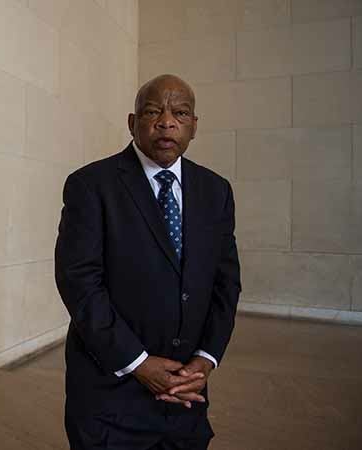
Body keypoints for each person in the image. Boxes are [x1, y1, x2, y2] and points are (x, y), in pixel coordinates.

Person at [54, 74, 241, 450]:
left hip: (186, 396)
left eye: (180, 113)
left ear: (193, 126)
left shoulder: (215, 191)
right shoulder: (91, 185)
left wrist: (205, 360)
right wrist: (138, 363)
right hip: (111, 396)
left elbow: (226, 283)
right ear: (132, 122)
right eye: (153, 111)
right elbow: (80, 283)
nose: (167, 121)